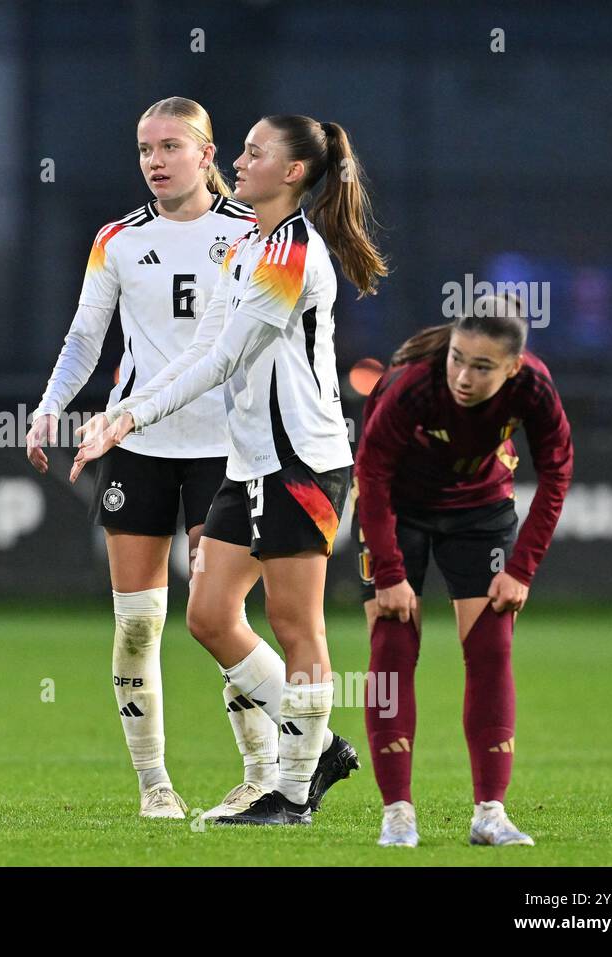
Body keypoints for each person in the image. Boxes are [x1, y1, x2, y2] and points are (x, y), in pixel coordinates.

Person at [73, 114, 387, 825]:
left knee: (294, 622)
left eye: (254, 152)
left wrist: (127, 416)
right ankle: (322, 745)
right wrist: (126, 412)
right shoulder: (249, 243)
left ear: (294, 172)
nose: (238, 163)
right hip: (251, 466)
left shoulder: (292, 254)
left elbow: (222, 360)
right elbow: (202, 346)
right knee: (210, 615)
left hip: (301, 462)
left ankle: (293, 790)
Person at [27, 96, 265, 819]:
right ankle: (154, 784)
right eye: (143, 149)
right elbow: (83, 339)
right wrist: (48, 406)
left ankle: (260, 775)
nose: (155, 162)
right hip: (136, 446)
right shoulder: (119, 240)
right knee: (136, 622)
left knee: (220, 614)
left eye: (170, 146)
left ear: (207, 151)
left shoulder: (253, 233)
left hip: (225, 448)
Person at [352, 297, 573, 847]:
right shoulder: (412, 385)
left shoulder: (536, 390)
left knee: (493, 650)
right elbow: (371, 475)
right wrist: (388, 571)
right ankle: (397, 815)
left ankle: (490, 815)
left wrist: (521, 569)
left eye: (482, 367)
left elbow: (556, 473)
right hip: (397, 509)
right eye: (457, 359)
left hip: (481, 510)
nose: (463, 377)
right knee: (392, 651)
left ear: (513, 368)